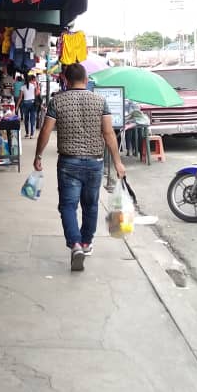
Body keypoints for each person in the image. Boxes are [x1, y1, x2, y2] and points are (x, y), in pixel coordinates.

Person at [33, 63, 125, 272]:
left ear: (65, 80)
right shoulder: (100, 101)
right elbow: (108, 133)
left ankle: (75, 244)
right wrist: (118, 162)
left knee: (68, 206)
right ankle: (86, 243)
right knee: (90, 206)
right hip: (94, 162)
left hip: (68, 162)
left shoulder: (57, 101)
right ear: (86, 79)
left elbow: (46, 130)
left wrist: (38, 155)